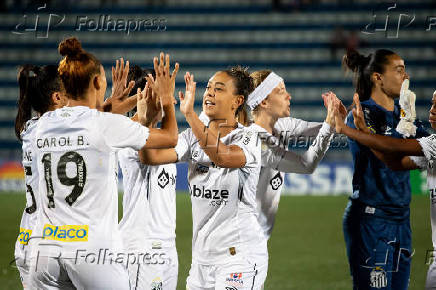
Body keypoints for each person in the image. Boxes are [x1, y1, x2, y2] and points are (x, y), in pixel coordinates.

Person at [28, 37, 179, 289]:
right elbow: (170, 137)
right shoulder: (104, 125)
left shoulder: (43, 125)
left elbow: (86, 119)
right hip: (92, 251)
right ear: (98, 82)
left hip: (44, 250)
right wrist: (166, 101)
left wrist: (119, 102)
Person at [140, 67, 267, 289]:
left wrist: (189, 114)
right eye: (208, 88)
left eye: (219, 89)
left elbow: (224, 156)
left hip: (239, 256)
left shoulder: (249, 137)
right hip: (201, 261)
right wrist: (149, 118)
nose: (209, 93)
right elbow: (152, 156)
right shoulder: (191, 137)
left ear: (237, 101)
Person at [340, 48, 428, 290]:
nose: (405, 76)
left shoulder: (404, 114)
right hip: (372, 220)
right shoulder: (361, 114)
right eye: (399, 70)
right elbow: (387, 156)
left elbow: (428, 147)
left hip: (402, 219)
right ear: (378, 77)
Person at [246, 70, 337, 240]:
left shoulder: (281, 125)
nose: (289, 96)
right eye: (281, 91)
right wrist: (330, 125)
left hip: (255, 238)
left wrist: (342, 118)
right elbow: (306, 164)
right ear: (264, 102)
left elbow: (321, 128)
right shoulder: (255, 141)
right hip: (241, 240)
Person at [118, 65, 178, 290]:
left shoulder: (162, 134)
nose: (163, 100)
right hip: (141, 245)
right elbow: (153, 150)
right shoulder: (130, 132)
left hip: (166, 243)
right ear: (143, 98)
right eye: (159, 94)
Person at [14, 64, 67, 289]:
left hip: (26, 236)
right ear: (56, 97)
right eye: (68, 92)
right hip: (47, 238)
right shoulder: (57, 129)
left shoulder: (29, 128)